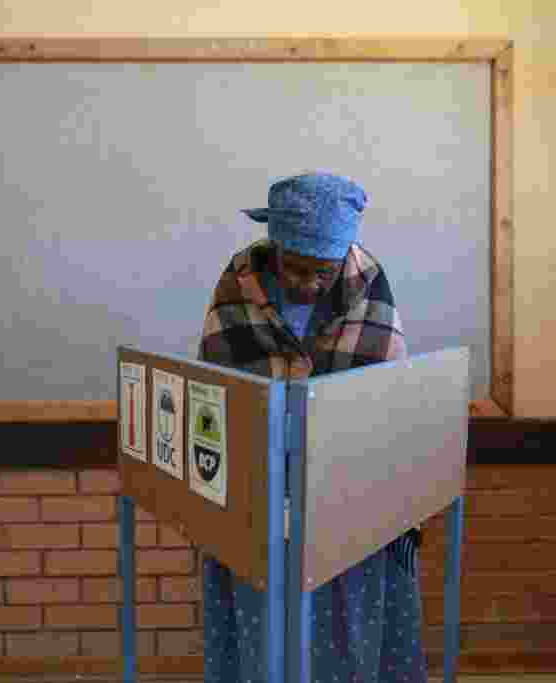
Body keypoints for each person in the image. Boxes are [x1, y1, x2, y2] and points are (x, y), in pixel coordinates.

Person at [197, 172, 427, 683]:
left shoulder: (368, 281)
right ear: (275, 245)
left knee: (348, 632)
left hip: (347, 490)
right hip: (259, 493)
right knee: (264, 626)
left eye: (322, 272)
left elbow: (390, 390)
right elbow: (215, 385)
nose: (308, 283)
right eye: (296, 268)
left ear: (342, 256)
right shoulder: (239, 282)